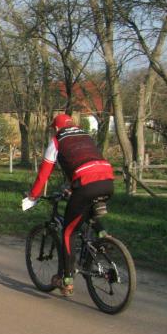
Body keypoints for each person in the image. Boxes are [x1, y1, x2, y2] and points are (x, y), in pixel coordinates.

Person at [22, 113, 114, 296]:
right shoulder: (85, 135)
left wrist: (33, 196)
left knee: (68, 232)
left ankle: (67, 279)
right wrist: (72, 187)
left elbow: (44, 172)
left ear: (56, 128)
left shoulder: (57, 140)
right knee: (86, 211)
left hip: (86, 185)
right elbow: (85, 163)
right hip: (107, 181)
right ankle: (104, 237)